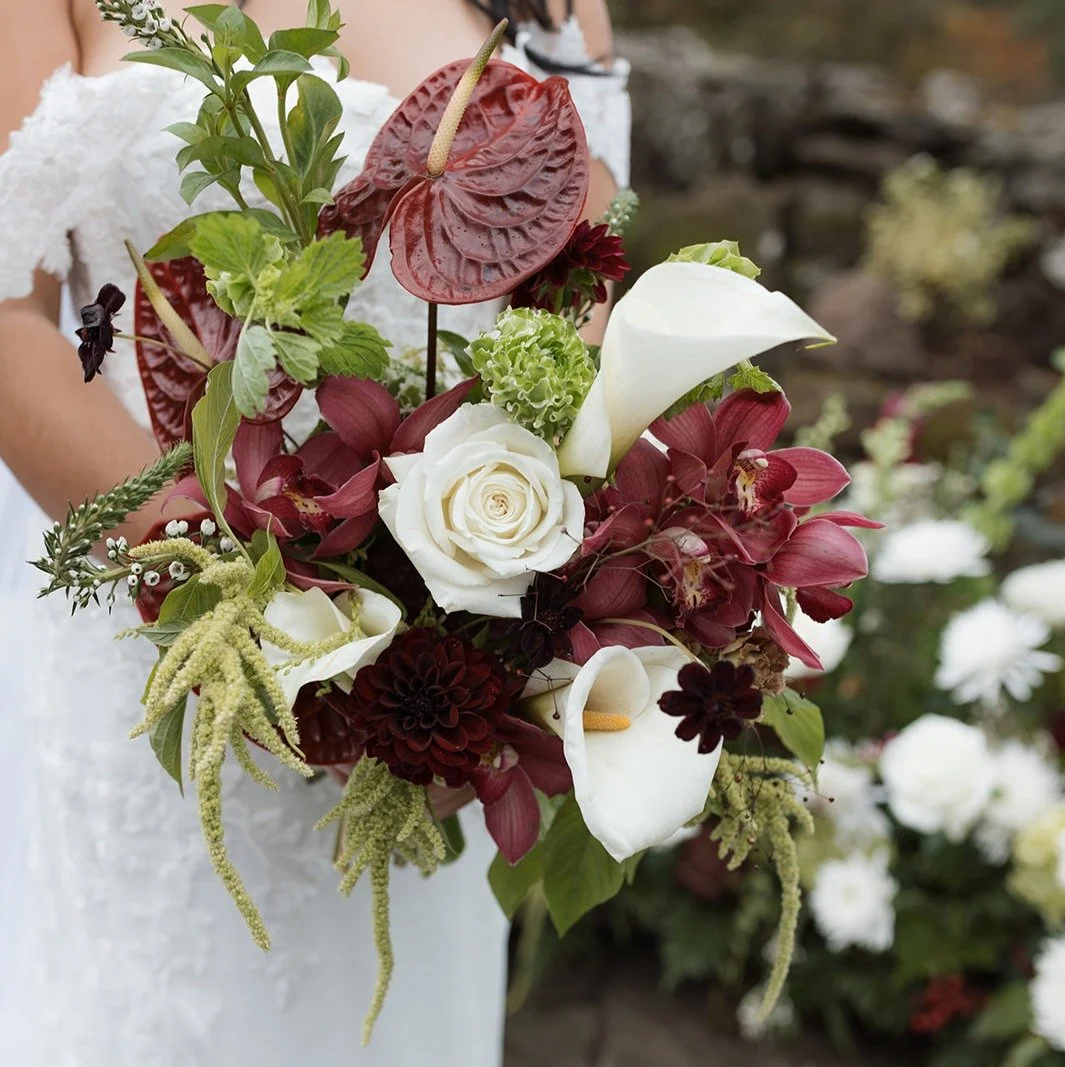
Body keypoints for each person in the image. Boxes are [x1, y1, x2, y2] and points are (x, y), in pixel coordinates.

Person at [0, 1, 630, 1063]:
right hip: (170, 651)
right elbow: (10, 322)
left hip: (441, 687)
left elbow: (584, 300)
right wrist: (268, 619)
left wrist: (476, 659)